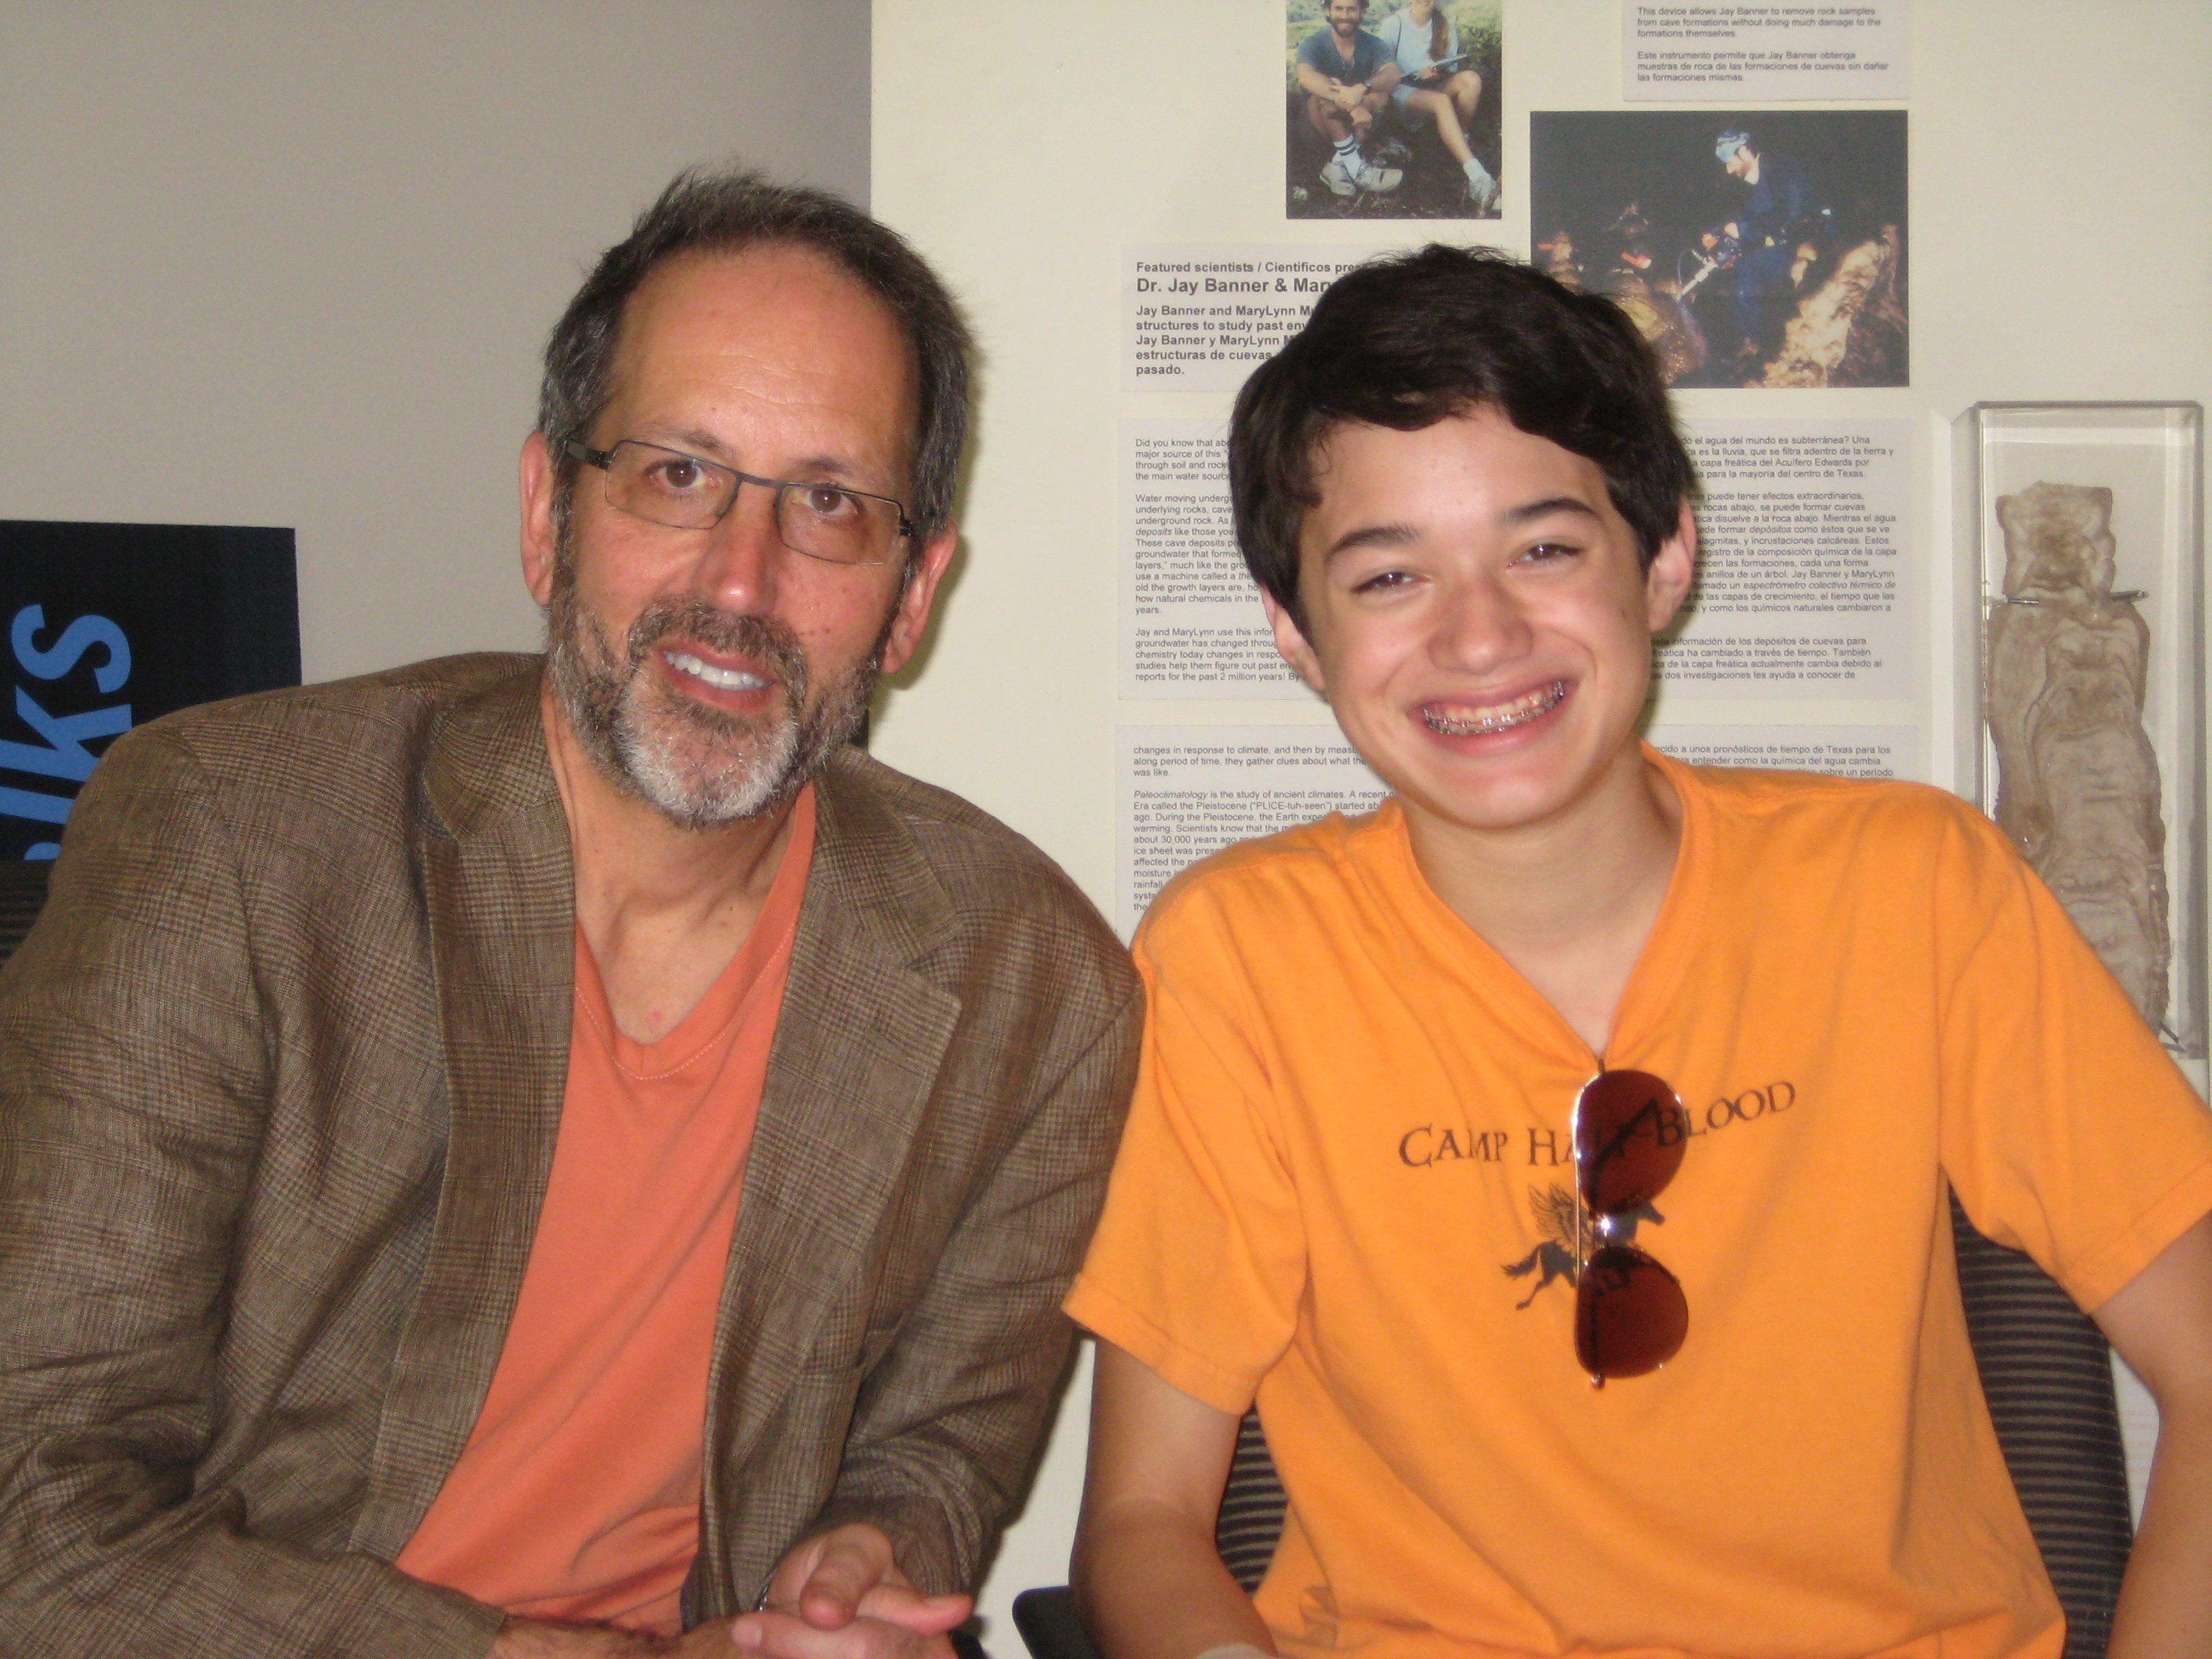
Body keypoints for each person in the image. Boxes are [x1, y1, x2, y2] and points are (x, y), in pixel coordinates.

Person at [0, 167, 1141, 1659]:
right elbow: (35, 1516)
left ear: (912, 594)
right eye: (677, 473)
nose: (741, 581)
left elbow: (934, 1456)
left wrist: (862, 1566)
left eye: (829, 503)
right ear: (550, 512)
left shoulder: (1030, 984)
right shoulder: (228, 840)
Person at [1064, 244, 2212, 1659]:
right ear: (1296, 634)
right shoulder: (1243, 956)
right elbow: (1142, 1521)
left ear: (1664, 559)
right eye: (1388, 577)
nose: (1479, 635)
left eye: (1544, 549)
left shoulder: (1912, 887)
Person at [1707, 127, 1827, 374]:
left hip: (1810, 241)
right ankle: (1752, 339)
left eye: (1730, 162)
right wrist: (1719, 230)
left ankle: (1753, 343)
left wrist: (1743, 229)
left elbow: (1788, 213)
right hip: (1788, 244)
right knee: (1742, 269)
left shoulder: (1783, 168)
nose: (1729, 170)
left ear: (1744, 151)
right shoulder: (1761, 179)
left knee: (1747, 271)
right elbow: (1753, 213)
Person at [1372, 0, 1496, 212]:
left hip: (1432, 87)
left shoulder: (1444, 24)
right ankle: (1478, 178)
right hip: (1402, 91)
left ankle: (1459, 141)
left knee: (1471, 80)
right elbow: (1382, 72)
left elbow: (1451, 68)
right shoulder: (1394, 24)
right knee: (1440, 101)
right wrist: (1415, 74)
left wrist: (1436, 74)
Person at [1292, 0, 1404, 199]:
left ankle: (1336, 166)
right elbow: (1306, 76)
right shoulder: (1313, 43)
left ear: (1362, 11)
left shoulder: (1373, 44)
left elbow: (1393, 74)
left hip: (1355, 126)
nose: (1345, 15)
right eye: (1339, 9)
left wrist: (1363, 88)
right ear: (1328, 11)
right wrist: (1351, 105)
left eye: (1351, 9)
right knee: (1326, 92)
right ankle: (1357, 169)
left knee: (1380, 94)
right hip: (1318, 125)